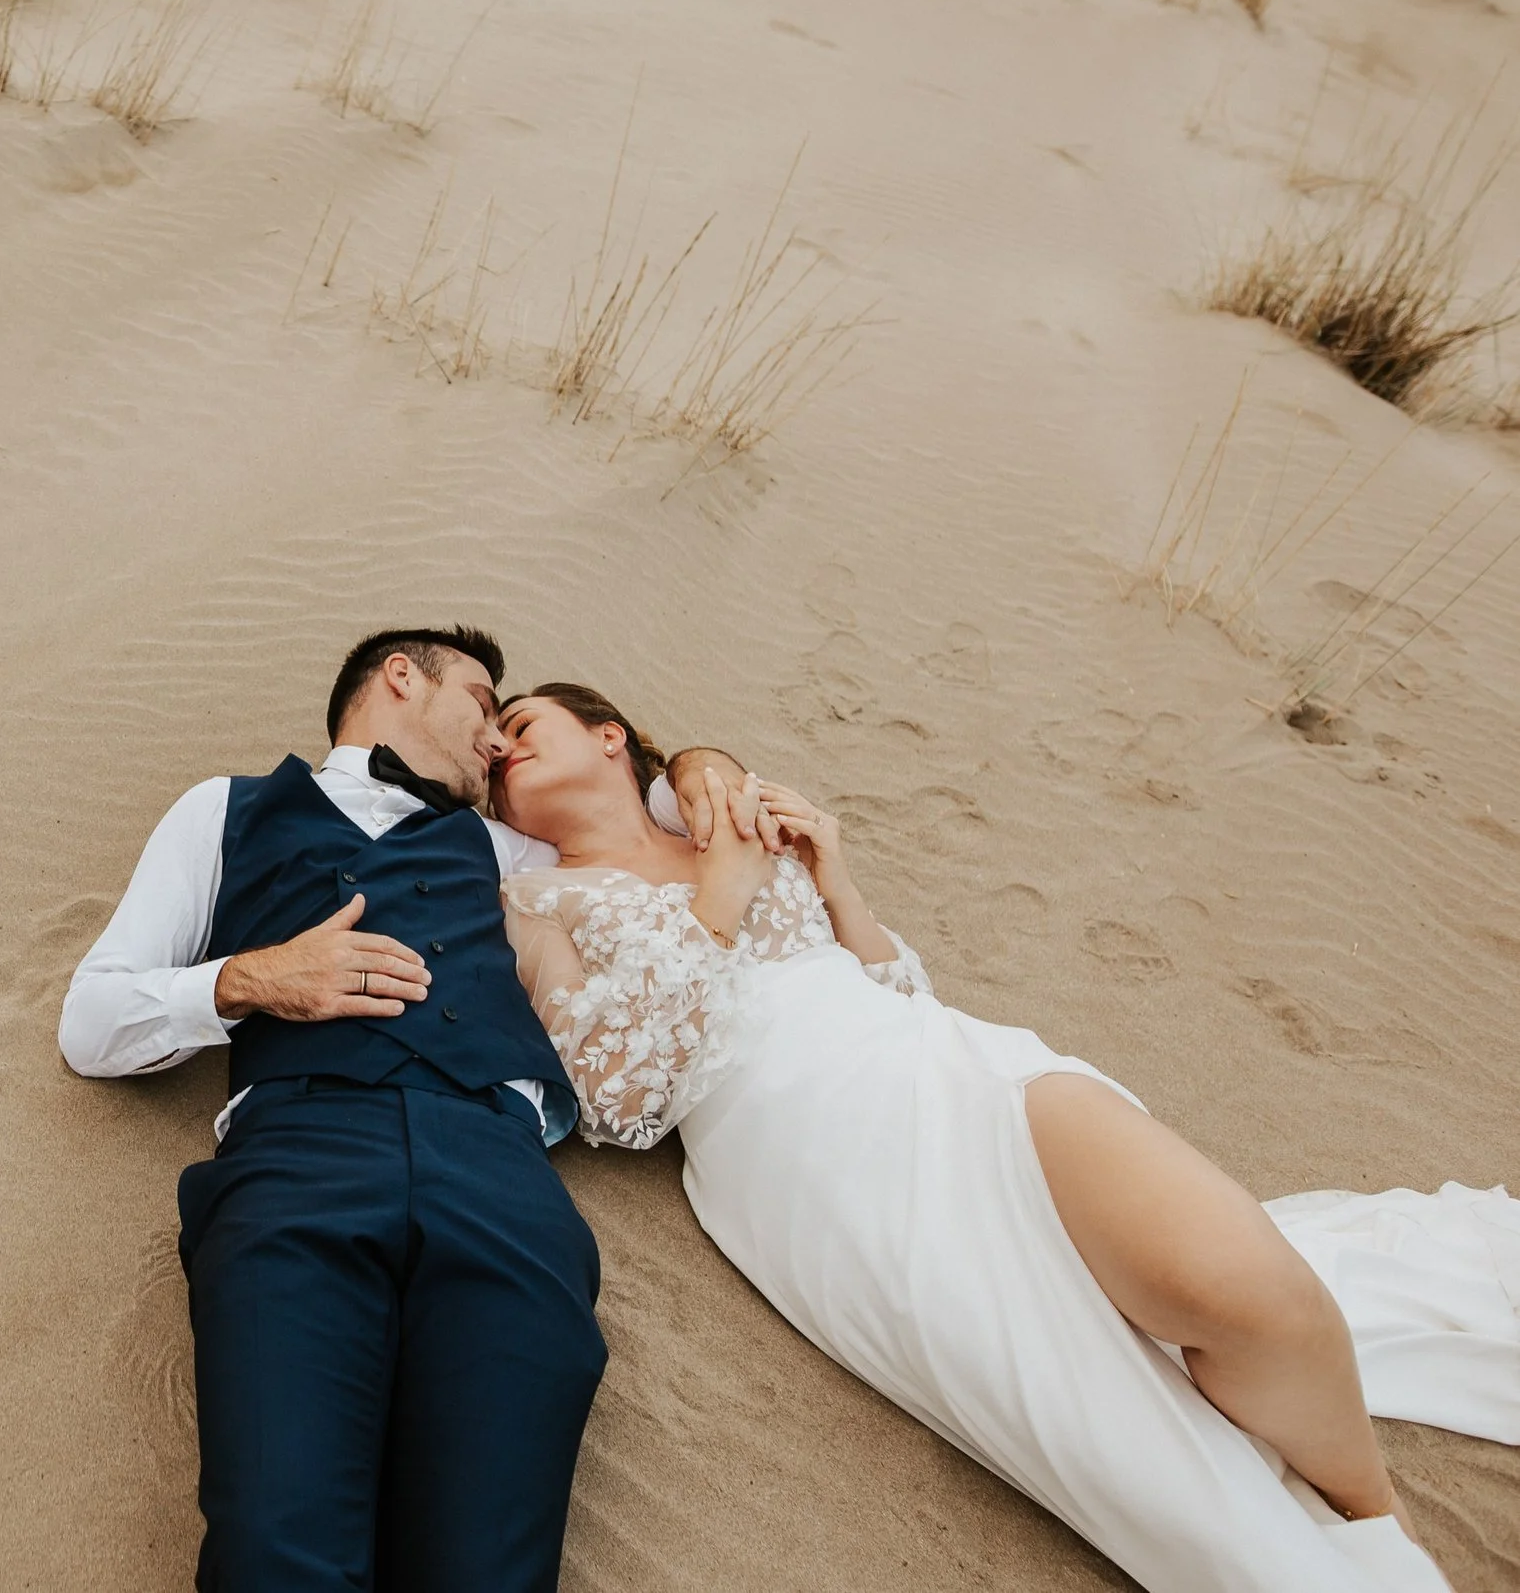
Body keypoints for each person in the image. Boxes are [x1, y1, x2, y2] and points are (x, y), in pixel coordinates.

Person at [491, 682, 1519, 1593]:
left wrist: (835, 878)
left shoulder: (731, 820)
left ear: (610, 733)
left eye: (520, 723)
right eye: (489, 757)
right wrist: (718, 901)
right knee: (1111, 1364)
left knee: (1252, 1286)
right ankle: (1381, 1545)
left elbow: (893, 981)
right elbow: (623, 1106)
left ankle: (1371, 1502)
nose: (500, 750)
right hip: (810, 1152)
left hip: (947, 1065)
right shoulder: (532, 901)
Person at [59, 629, 608, 1593]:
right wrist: (253, 979)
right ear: (403, 674)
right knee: (277, 1553)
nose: (496, 741)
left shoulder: (513, 845)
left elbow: (638, 803)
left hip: (502, 1179)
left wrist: (696, 767)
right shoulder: (221, 811)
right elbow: (90, 1024)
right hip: (297, 1164)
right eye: (485, 703)